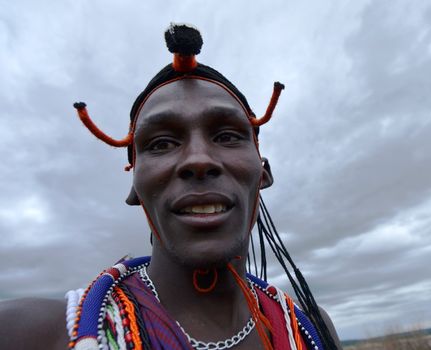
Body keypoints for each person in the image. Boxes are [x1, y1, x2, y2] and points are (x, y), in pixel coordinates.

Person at [0, 23, 341, 350]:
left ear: (262, 172)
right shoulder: (26, 333)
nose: (198, 160)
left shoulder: (310, 329)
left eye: (227, 136)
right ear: (135, 186)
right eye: (162, 143)